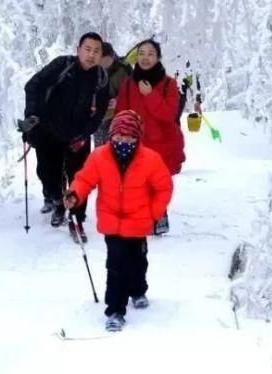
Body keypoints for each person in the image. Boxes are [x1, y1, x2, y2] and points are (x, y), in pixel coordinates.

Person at [64, 111, 173, 332]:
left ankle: (138, 290)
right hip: (111, 220)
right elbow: (84, 179)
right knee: (115, 265)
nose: (123, 143)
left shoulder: (150, 160)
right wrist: (75, 194)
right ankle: (115, 310)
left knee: (138, 261)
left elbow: (164, 188)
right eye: (118, 138)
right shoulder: (99, 157)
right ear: (111, 136)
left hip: (139, 222)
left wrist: (154, 213)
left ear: (137, 138)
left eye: (129, 139)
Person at [21, 32, 109, 237]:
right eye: (87, 49)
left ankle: (77, 217)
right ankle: (58, 202)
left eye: (96, 51)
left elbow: (100, 112)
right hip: (49, 132)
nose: (91, 55)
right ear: (78, 50)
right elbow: (33, 86)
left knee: (80, 178)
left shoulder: (101, 79)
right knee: (47, 174)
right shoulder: (62, 66)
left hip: (77, 137)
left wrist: (84, 134)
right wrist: (32, 116)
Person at [114, 39, 185, 235]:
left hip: (162, 143)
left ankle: (159, 213)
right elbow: (122, 114)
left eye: (150, 53)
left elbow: (169, 114)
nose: (145, 57)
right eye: (142, 53)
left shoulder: (169, 84)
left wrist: (150, 94)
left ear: (158, 57)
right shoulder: (128, 84)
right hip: (135, 143)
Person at [92, 42, 132, 148]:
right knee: (100, 151)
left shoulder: (124, 69)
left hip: (118, 117)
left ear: (111, 56)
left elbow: (132, 92)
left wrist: (118, 100)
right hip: (100, 116)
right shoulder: (93, 67)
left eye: (103, 60)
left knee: (115, 149)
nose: (101, 64)